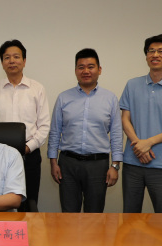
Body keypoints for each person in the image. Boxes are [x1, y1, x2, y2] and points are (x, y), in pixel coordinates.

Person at [47, 48, 123, 213]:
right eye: (81, 67)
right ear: (75, 70)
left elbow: (117, 134)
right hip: (68, 164)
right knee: (68, 214)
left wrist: (115, 166)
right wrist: (53, 162)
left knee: (95, 216)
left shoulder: (110, 99)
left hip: (98, 165)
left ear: (99, 70)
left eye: (91, 66)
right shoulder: (63, 98)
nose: (86, 71)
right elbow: (54, 132)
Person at [120, 34, 162, 213]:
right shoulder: (132, 85)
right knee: (130, 218)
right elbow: (125, 119)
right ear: (146, 56)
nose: (155, 55)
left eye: (161, 51)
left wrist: (149, 142)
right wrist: (139, 145)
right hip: (132, 163)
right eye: (151, 51)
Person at [0, 39, 50, 207]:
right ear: (2, 63)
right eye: (7, 57)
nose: (11, 61)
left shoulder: (37, 89)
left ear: (24, 61)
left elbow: (44, 125)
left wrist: (27, 147)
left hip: (29, 155)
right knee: (2, 204)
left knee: (29, 203)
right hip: (0, 157)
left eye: (16, 57)